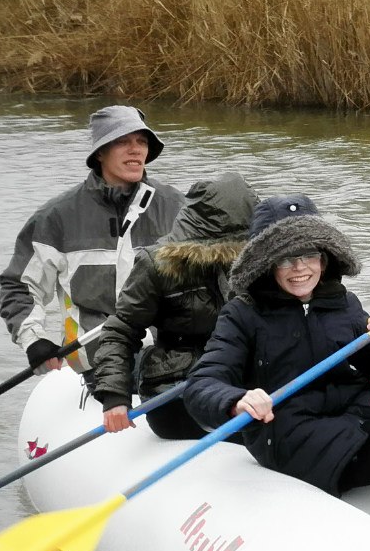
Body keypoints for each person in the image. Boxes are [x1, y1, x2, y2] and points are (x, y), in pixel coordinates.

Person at [185, 209, 370, 521]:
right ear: (266, 264)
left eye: (309, 255)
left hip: (353, 416)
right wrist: (236, 401)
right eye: (285, 258)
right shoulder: (242, 315)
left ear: (324, 258)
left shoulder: (342, 303)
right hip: (289, 434)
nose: (300, 268)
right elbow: (202, 384)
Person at [0, 105, 185, 374]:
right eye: (123, 141)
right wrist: (33, 340)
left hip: (169, 363)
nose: (136, 150)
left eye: (142, 141)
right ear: (100, 152)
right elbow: (19, 286)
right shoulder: (56, 217)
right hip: (93, 367)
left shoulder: (178, 207)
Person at [90, 172, 259, 439]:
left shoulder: (261, 262)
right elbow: (121, 331)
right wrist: (114, 396)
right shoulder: (156, 265)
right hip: (177, 391)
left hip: (242, 383)